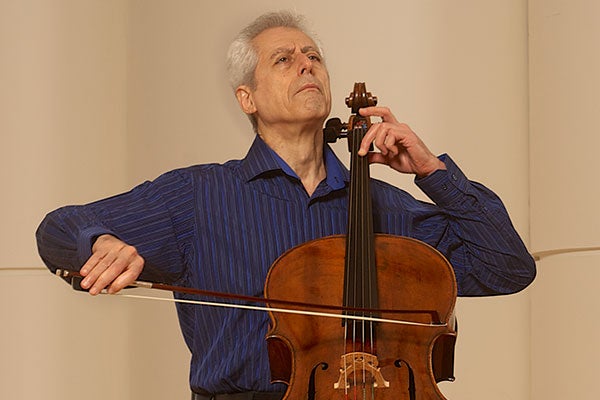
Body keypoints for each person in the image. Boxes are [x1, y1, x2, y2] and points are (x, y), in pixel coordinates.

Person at [36, 10, 536, 400]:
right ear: (247, 98)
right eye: (284, 59)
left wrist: (432, 172)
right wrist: (98, 242)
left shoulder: (386, 208)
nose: (307, 64)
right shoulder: (198, 196)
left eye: (313, 56)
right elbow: (59, 228)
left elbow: (506, 268)